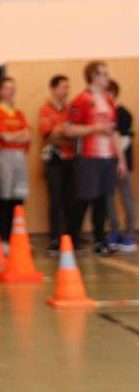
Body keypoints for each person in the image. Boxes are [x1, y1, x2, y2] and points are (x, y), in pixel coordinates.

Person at [67, 61, 126, 255]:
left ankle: (100, 241)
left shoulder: (109, 100)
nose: (107, 78)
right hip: (88, 157)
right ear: (93, 76)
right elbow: (69, 129)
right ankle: (71, 239)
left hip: (107, 157)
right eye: (104, 74)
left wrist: (121, 159)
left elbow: (114, 131)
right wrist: (95, 128)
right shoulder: (81, 100)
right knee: (84, 198)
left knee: (102, 199)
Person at [0, 77, 32, 247]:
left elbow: (28, 134)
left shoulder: (19, 113)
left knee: (19, 196)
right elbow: (3, 136)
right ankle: (4, 239)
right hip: (4, 157)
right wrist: (18, 135)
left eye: (13, 88)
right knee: (4, 197)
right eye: (7, 88)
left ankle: (17, 237)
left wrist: (15, 136)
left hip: (20, 156)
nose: (11, 91)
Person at [38, 75, 76, 255]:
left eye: (67, 87)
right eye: (62, 87)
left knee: (71, 200)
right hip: (54, 161)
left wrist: (64, 132)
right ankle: (55, 238)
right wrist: (64, 131)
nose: (66, 91)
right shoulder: (46, 110)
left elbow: (76, 133)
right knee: (56, 200)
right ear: (53, 89)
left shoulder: (71, 109)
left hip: (71, 159)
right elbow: (48, 134)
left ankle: (70, 237)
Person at [106, 79, 136, 252]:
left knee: (126, 197)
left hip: (121, 162)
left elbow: (123, 139)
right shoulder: (102, 113)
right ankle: (114, 231)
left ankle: (130, 232)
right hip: (106, 162)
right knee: (109, 198)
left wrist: (120, 160)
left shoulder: (122, 113)